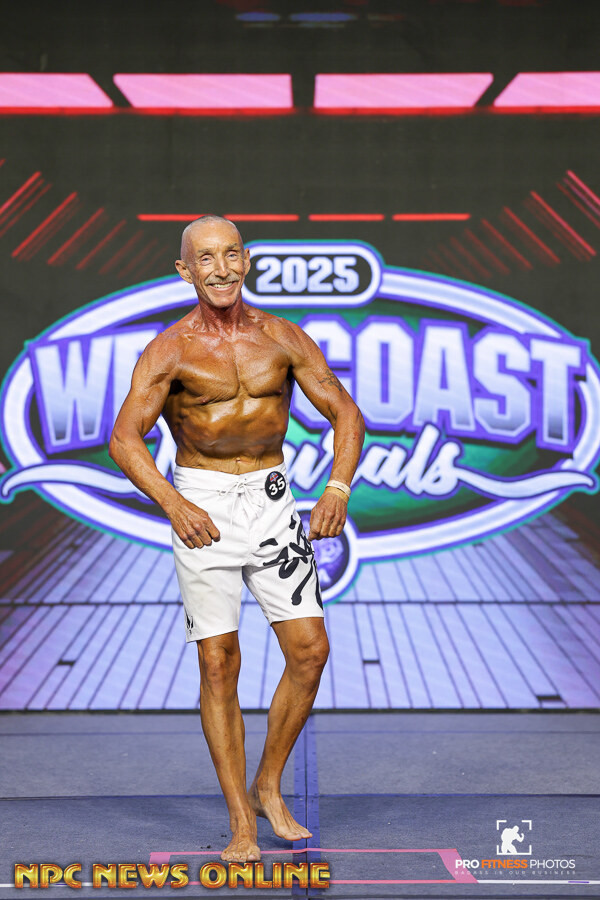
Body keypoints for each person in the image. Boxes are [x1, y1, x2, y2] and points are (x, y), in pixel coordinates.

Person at [109, 215, 365, 863]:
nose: (220, 269)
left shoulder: (281, 337)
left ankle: (268, 785)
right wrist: (174, 504)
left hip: (273, 503)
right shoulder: (169, 350)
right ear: (185, 271)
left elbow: (344, 411)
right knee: (218, 662)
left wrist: (336, 488)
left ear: (246, 261)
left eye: (230, 255)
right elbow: (124, 438)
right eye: (206, 258)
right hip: (204, 503)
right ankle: (240, 823)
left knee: (310, 651)